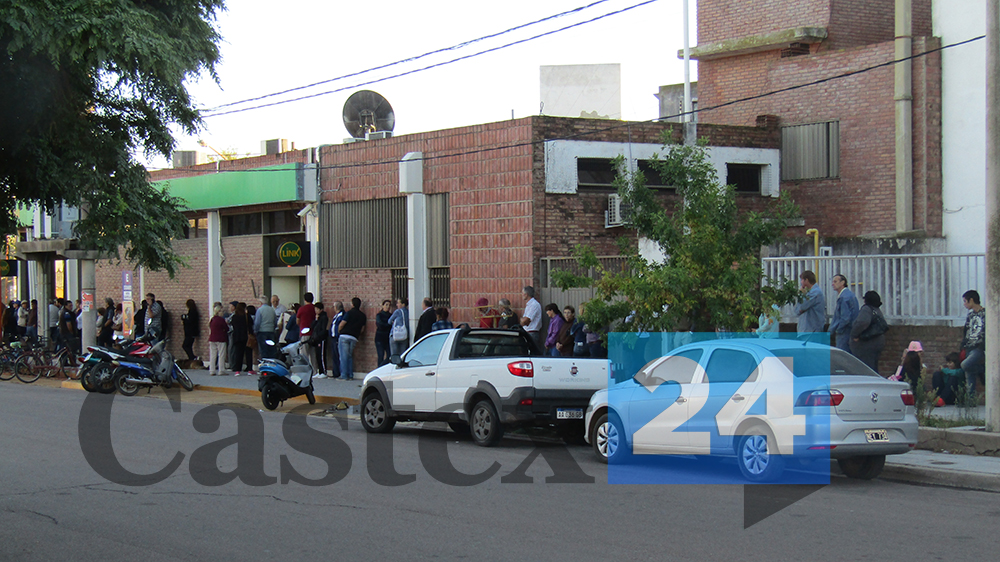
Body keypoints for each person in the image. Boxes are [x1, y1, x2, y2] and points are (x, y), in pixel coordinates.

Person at [850, 291, 887, 374]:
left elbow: (862, 322)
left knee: (865, 368)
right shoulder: (877, 310)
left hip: (867, 344)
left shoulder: (867, 309)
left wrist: (854, 335)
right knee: (873, 367)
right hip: (878, 342)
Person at [960, 289, 985, 393]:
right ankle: (970, 399)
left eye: (965, 301)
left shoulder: (986, 314)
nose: (964, 304)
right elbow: (966, 331)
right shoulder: (970, 315)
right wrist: (963, 345)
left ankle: (983, 369)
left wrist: (983, 346)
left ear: (971, 300)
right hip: (969, 347)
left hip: (979, 347)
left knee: (965, 365)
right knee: (969, 378)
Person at [828, 274, 859, 352]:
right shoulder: (850, 295)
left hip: (844, 332)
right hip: (850, 331)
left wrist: (838, 329)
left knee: (842, 355)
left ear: (842, 282)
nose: (832, 284)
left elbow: (845, 318)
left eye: (835, 281)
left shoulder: (843, 297)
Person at [338, 297, 367, 380]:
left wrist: (339, 331)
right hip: (354, 337)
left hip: (344, 336)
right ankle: (350, 375)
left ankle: (344, 375)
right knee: (350, 356)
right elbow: (362, 329)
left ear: (352, 304)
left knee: (343, 357)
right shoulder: (363, 316)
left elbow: (342, 324)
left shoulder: (349, 313)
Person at [794, 270, 826, 335]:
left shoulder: (815, 293)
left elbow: (802, 307)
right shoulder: (809, 292)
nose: (801, 282)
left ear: (806, 280)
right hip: (806, 330)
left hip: (811, 331)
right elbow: (797, 311)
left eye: (802, 280)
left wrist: (801, 295)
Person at [319, 301, 339, 379]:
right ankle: (335, 372)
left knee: (336, 355)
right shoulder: (336, 316)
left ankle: (338, 373)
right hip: (333, 337)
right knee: (334, 355)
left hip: (336, 337)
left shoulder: (340, 315)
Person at [208, 304, 228, 376]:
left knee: (213, 355)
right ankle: (221, 370)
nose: (222, 313)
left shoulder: (212, 319)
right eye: (221, 311)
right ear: (218, 312)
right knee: (221, 355)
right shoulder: (221, 320)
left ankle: (212, 370)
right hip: (221, 339)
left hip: (212, 338)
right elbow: (226, 328)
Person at [253, 296, 275, 360]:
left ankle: (265, 363)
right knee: (271, 349)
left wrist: (255, 331)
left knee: (263, 350)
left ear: (260, 302)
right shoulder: (272, 310)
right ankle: (272, 362)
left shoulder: (260, 310)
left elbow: (257, 322)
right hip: (271, 331)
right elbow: (275, 321)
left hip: (262, 331)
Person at [229, 302, 249, 376]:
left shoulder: (235, 317)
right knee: (246, 353)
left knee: (237, 353)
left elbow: (232, 325)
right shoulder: (245, 316)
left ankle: (237, 369)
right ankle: (248, 368)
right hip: (244, 336)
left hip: (236, 336)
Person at [374, 299, 392, 367]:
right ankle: (379, 368)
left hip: (388, 338)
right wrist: (389, 324)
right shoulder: (379, 315)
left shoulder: (391, 315)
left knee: (389, 355)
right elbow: (380, 325)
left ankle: (385, 367)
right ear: (382, 306)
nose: (388, 307)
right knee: (380, 355)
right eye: (386, 305)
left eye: (389, 305)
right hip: (380, 338)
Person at [244, 304, 257, 376]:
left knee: (247, 352)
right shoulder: (255, 317)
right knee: (253, 351)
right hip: (252, 335)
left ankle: (248, 366)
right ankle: (252, 366)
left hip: (247, 336)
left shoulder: (247, 317)